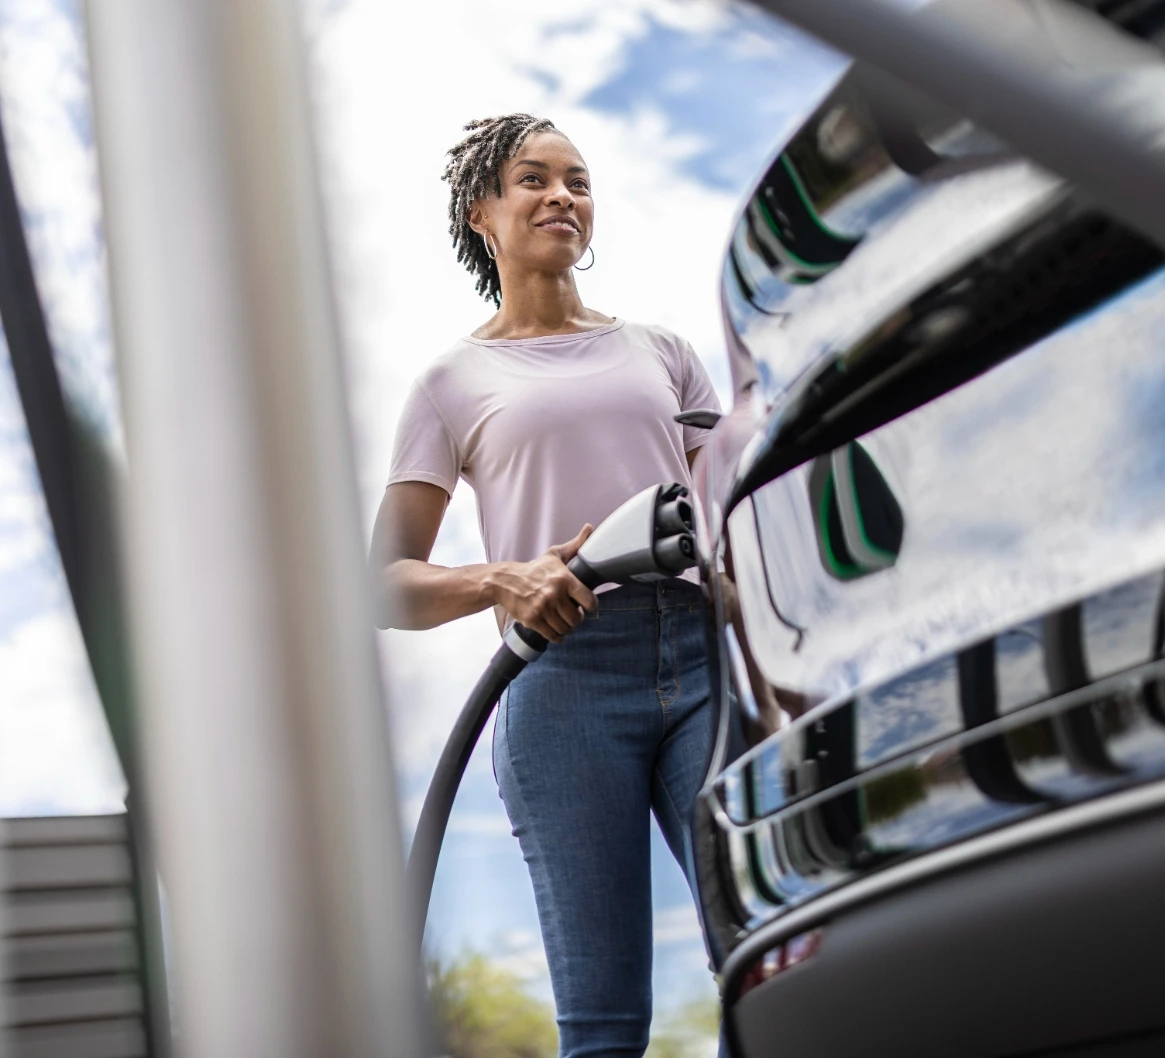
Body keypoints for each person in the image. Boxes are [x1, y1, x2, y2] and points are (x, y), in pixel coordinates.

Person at [371, 113, 722, 1058]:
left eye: (577, 180)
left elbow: (730, 500)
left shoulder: (664, 351)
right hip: (562, 685)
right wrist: (501, 577)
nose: (561, 195)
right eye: (532, 179)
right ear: (482, 211)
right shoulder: (453, 380)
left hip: (703, 663)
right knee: (606, 1020)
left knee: (769, 954)